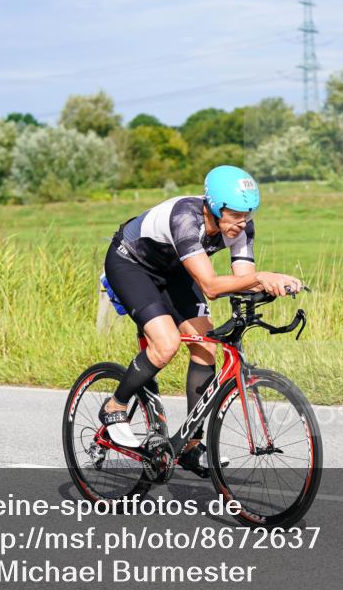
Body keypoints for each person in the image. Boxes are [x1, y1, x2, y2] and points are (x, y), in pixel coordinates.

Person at [101, 166, 302, 477]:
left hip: (175, 271)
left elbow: (243, 280)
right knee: (166, 344)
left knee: (205, 349)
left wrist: (272, 283)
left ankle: (190, 445)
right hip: (131, 263)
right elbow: (210, 286)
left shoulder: (242, 227)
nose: (243, 222)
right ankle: (115, 406)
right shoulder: (186, 217)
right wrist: (261, 278)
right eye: (236, 214)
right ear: (215, 205)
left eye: (248, 214)